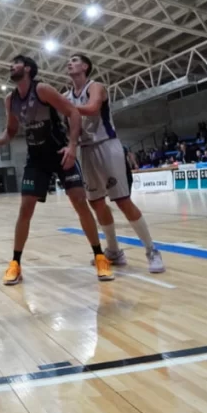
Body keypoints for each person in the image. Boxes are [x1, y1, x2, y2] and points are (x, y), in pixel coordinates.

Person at [0, 55, 114, 285]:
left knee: (79, 201)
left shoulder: (42, 90)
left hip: (59, 152)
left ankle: (99, 256)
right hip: (36, 158)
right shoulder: (10, 99)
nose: (10, 66)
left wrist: (72, 146)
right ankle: (15, 263)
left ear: (27, 68)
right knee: (25, 209)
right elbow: (11, 130)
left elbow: (73, 112)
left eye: (15, 63)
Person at [66, 54, 165, 273]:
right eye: (69, 61)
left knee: (122, 201)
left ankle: (152, 250)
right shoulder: (67, 95)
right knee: (96, 203)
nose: (69, 62)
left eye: (74, 60)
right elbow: (69, 121)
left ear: (85, 66)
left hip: (107, 145)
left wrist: (66, 107)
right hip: (86, 149)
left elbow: (93, 108)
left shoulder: (96, 87)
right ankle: (113, 251)